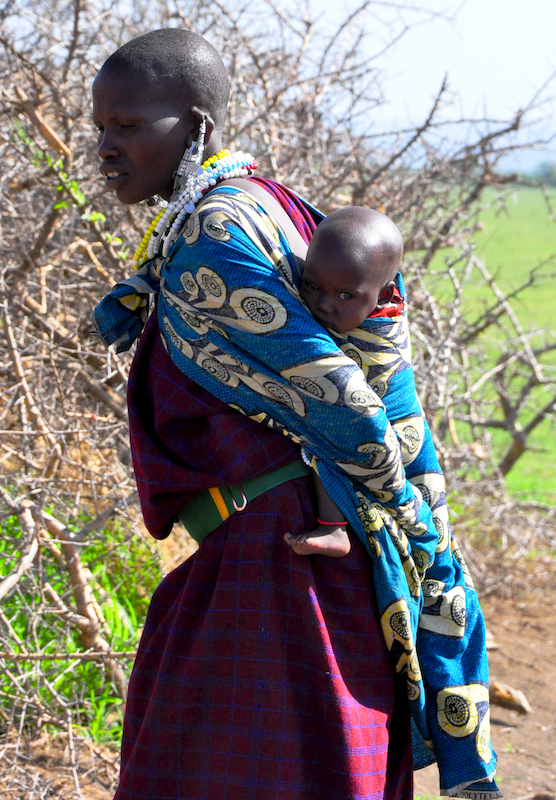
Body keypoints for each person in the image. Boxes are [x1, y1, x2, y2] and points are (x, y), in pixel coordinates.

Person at [93, 28, 500, 800]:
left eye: (126, 125)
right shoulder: (260, 204)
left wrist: (397, 515)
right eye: (100, 127)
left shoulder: (218, 234)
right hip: (290, 557)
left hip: (282, 573)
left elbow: (340, 400)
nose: (105, 148)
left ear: (197, 128)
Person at [284, 206, 403, 559]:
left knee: (336, 417)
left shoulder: (380, 336)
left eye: (346, 296)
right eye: (311, 285)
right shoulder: (345, 308)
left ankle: (334, 529)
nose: (323, 304)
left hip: (389, 430)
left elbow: (360, 404)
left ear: (383, 296)